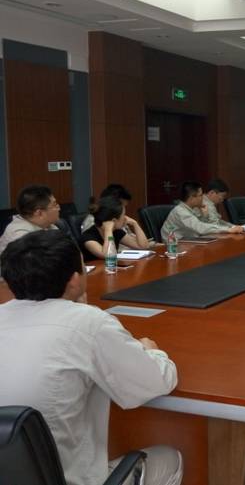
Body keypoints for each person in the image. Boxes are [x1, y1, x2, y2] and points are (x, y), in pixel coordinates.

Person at [0, 230, 182, 485]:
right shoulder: (88, 323)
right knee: (170, 459)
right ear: (75, 280)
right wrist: (152, 352)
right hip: (67, 479)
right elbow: (156, 382)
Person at [160, 181, 243, 242]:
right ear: (192, 198)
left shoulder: (193, 208)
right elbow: (200, 228)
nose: (203, 198)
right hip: (174, 245)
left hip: (189, 240)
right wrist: (228, 230)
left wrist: (205, 216)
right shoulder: (180, 211)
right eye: (200, 195)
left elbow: (202, 225)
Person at [80, 196, 150, 262]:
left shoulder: (116, 231)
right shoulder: (88, 238)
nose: (126, 218)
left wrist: (135, 224)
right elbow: (108, 256)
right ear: (114, 220)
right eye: (123, 215)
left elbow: (143, 246)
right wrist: (108, 230)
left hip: (112, 269)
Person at [0, 184, 59, 261]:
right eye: (55, 205)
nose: (59, 208)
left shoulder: (49, 225)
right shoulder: (20, 236)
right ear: (39, 213)